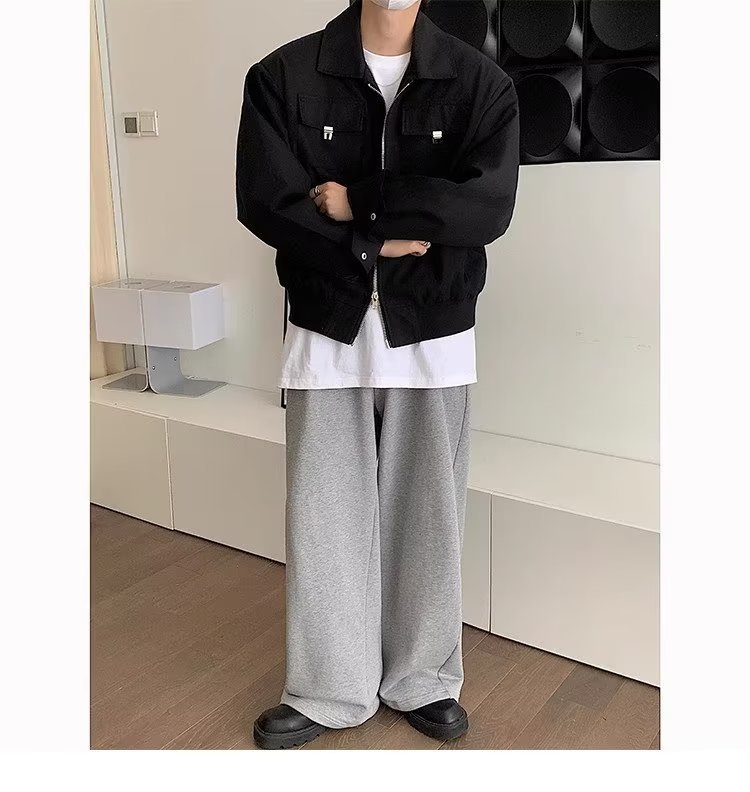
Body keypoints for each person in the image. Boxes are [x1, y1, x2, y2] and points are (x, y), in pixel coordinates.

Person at [235, 0, 519, 749]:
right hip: (326, 323)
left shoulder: (480, 83)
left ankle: (423, 678)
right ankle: (329, 688)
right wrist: (371, 248)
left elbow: (485, 209)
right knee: (324, 519)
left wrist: (362, 202)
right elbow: (267, 202)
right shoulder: (282, 76)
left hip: (434, 331)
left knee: (429, 518)